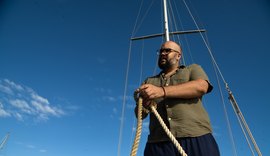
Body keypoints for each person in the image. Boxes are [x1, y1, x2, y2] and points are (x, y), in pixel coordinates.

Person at [134, 41, 220, 156]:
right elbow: (140, 114)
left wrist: (161, 91)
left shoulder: (192, 69)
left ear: (178, 56)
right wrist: (144, 103)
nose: (163, 53)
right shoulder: (149, 81)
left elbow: (201, 87)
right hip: (158, 143)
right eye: (161, 51)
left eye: (167, 50)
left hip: (196, 136)